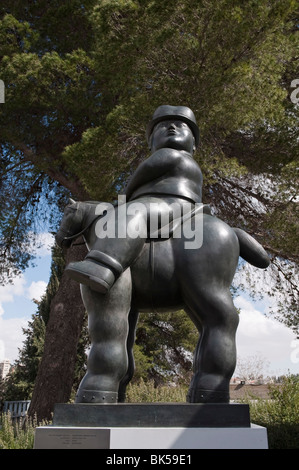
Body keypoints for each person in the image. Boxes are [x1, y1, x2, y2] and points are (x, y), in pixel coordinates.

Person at [65, 105, 208, 293]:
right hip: (178, 205)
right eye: (163, 126)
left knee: (134, 211)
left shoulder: (168, 154)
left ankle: (102, 265)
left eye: (180, 125)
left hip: (171, 204)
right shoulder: (190, 163)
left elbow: (138, 177)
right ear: (150, 143)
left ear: (194, 144)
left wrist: (124, 200)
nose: (172, 127)